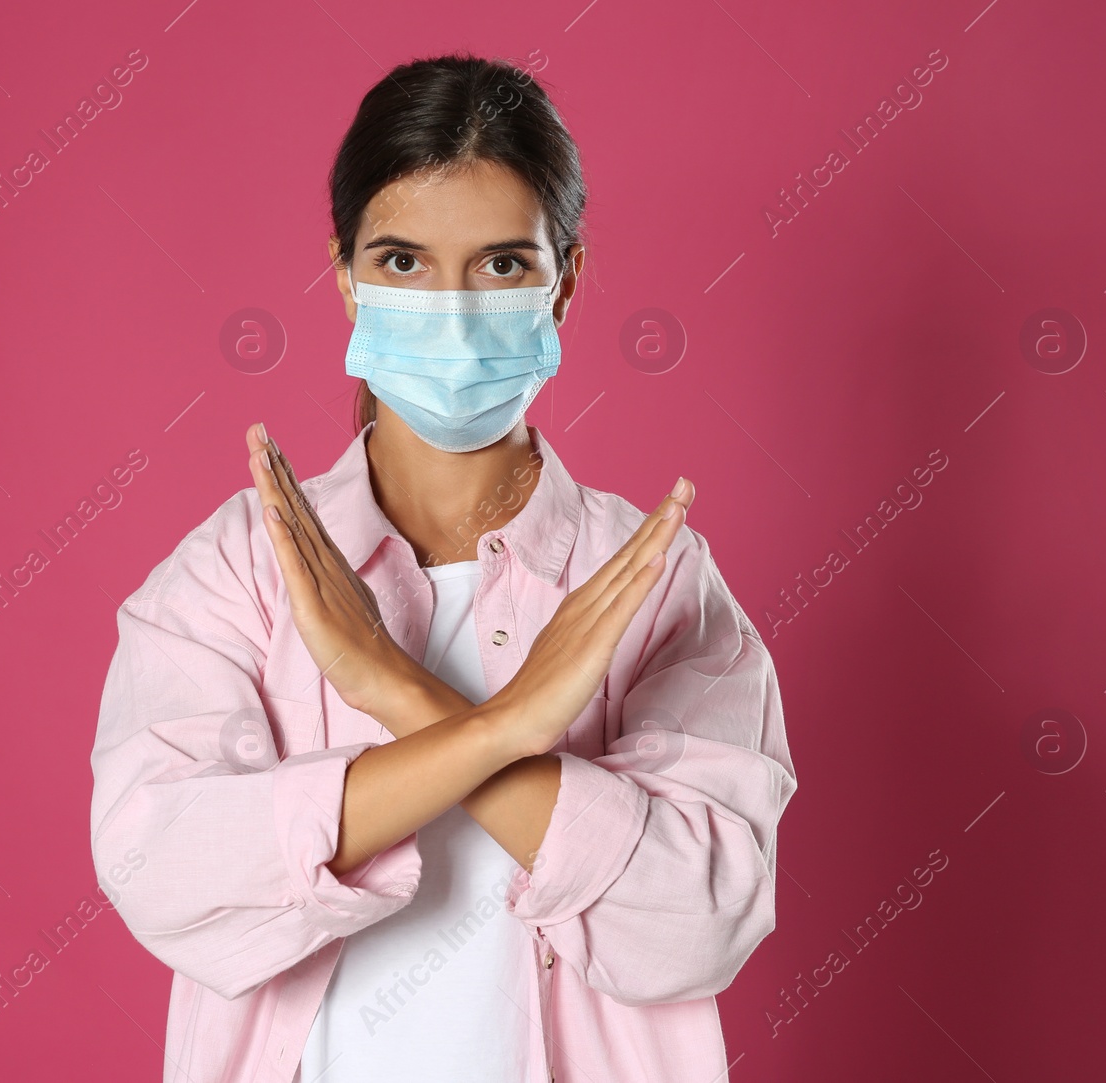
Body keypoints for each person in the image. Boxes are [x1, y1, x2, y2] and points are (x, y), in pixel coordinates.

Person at [89, 52, 797, 1083]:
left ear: (566, 282)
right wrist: (506, 727)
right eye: (405, 262)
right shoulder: (237, 571)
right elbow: (162, 871)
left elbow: (696, 923)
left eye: (503, 264)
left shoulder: (651, 581)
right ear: (344, 275)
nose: (454, 310)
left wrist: (400, 691)